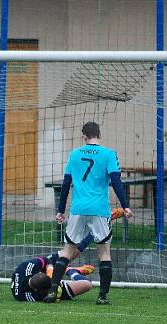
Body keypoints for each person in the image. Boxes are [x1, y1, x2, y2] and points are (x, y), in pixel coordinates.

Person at [44, 121, 133, 304]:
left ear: (84, 136)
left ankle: (53, 291)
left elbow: (66, 184)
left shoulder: (74, 155)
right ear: (99, 135)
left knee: (67, 251)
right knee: (104, 252)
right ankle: (102, 296)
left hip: (78, 209)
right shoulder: (109, 154)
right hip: (100, 209)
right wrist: (125, 206)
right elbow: (116, 182)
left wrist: (61, 210)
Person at [11, 253, 95, 302]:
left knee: (66, 253)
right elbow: (49, 298)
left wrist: (50, 270)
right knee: (87, 284)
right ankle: (71, 271)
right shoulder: (29, 296)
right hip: (48, 287)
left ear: (37, 273)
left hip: (46, 274)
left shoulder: (27, 266)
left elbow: (46, 260)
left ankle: (62, 267)